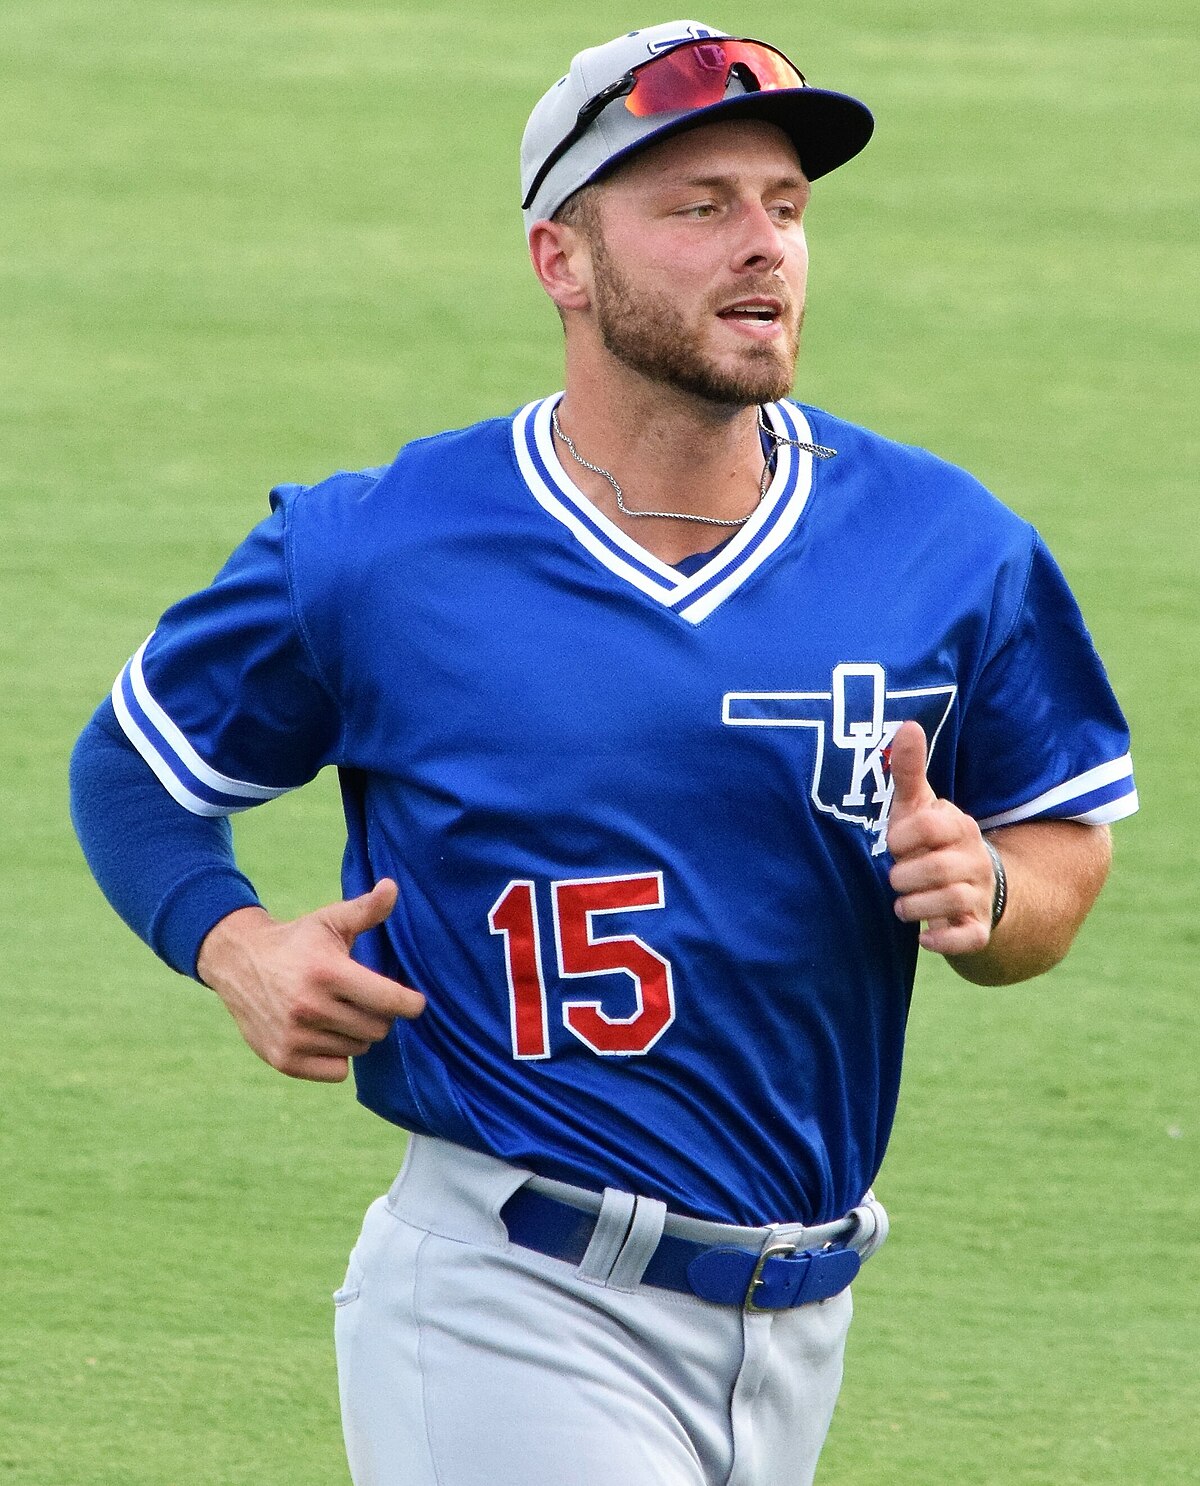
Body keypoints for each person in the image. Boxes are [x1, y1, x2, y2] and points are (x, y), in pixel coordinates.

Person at [70, 20, 1138, 1486]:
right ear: (560, 259)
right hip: (511, 1298)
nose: (761, 246)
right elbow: (136, 769)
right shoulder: (381, 549)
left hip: (802, 1321)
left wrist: (994, 898)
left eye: (784, 204)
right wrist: (234, 940)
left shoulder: (948, 547)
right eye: (696, 208)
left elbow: (1063, 841)